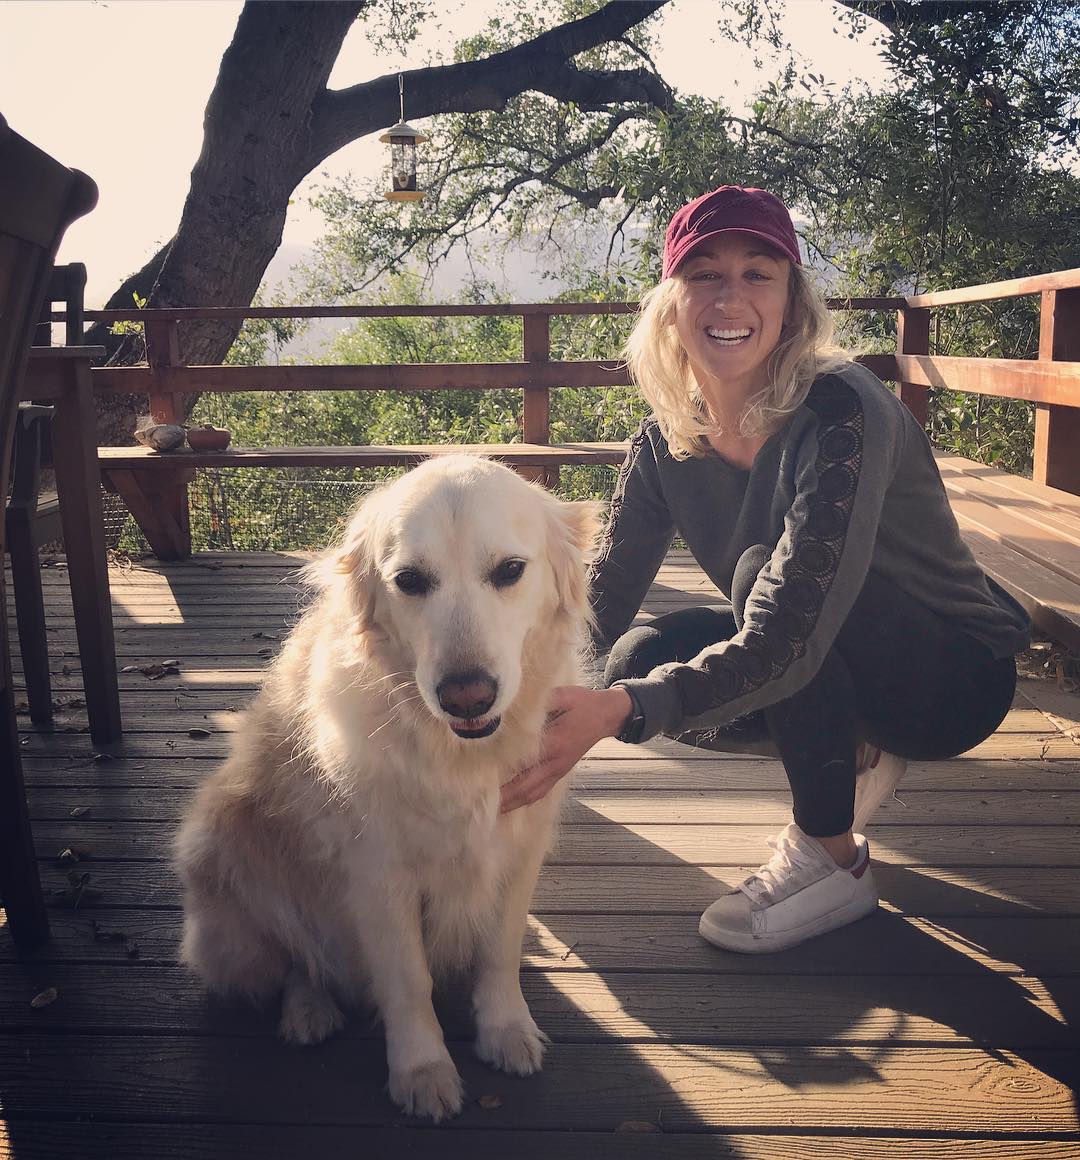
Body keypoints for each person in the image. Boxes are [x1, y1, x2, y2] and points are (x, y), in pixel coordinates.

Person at [500, 184, 1031, 953]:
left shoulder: (844, 411)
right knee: (635, 657)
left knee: (752, 589)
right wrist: (505, 715)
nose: (731, 296)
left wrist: (614, 713)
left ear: (792, 300)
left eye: (758, 273)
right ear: (670, 300)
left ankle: (832, 858)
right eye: (705, 273)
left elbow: (787, 623)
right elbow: (596, 599)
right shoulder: (665, 436)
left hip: (952, 673)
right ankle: (847, 738)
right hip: (820, 640)